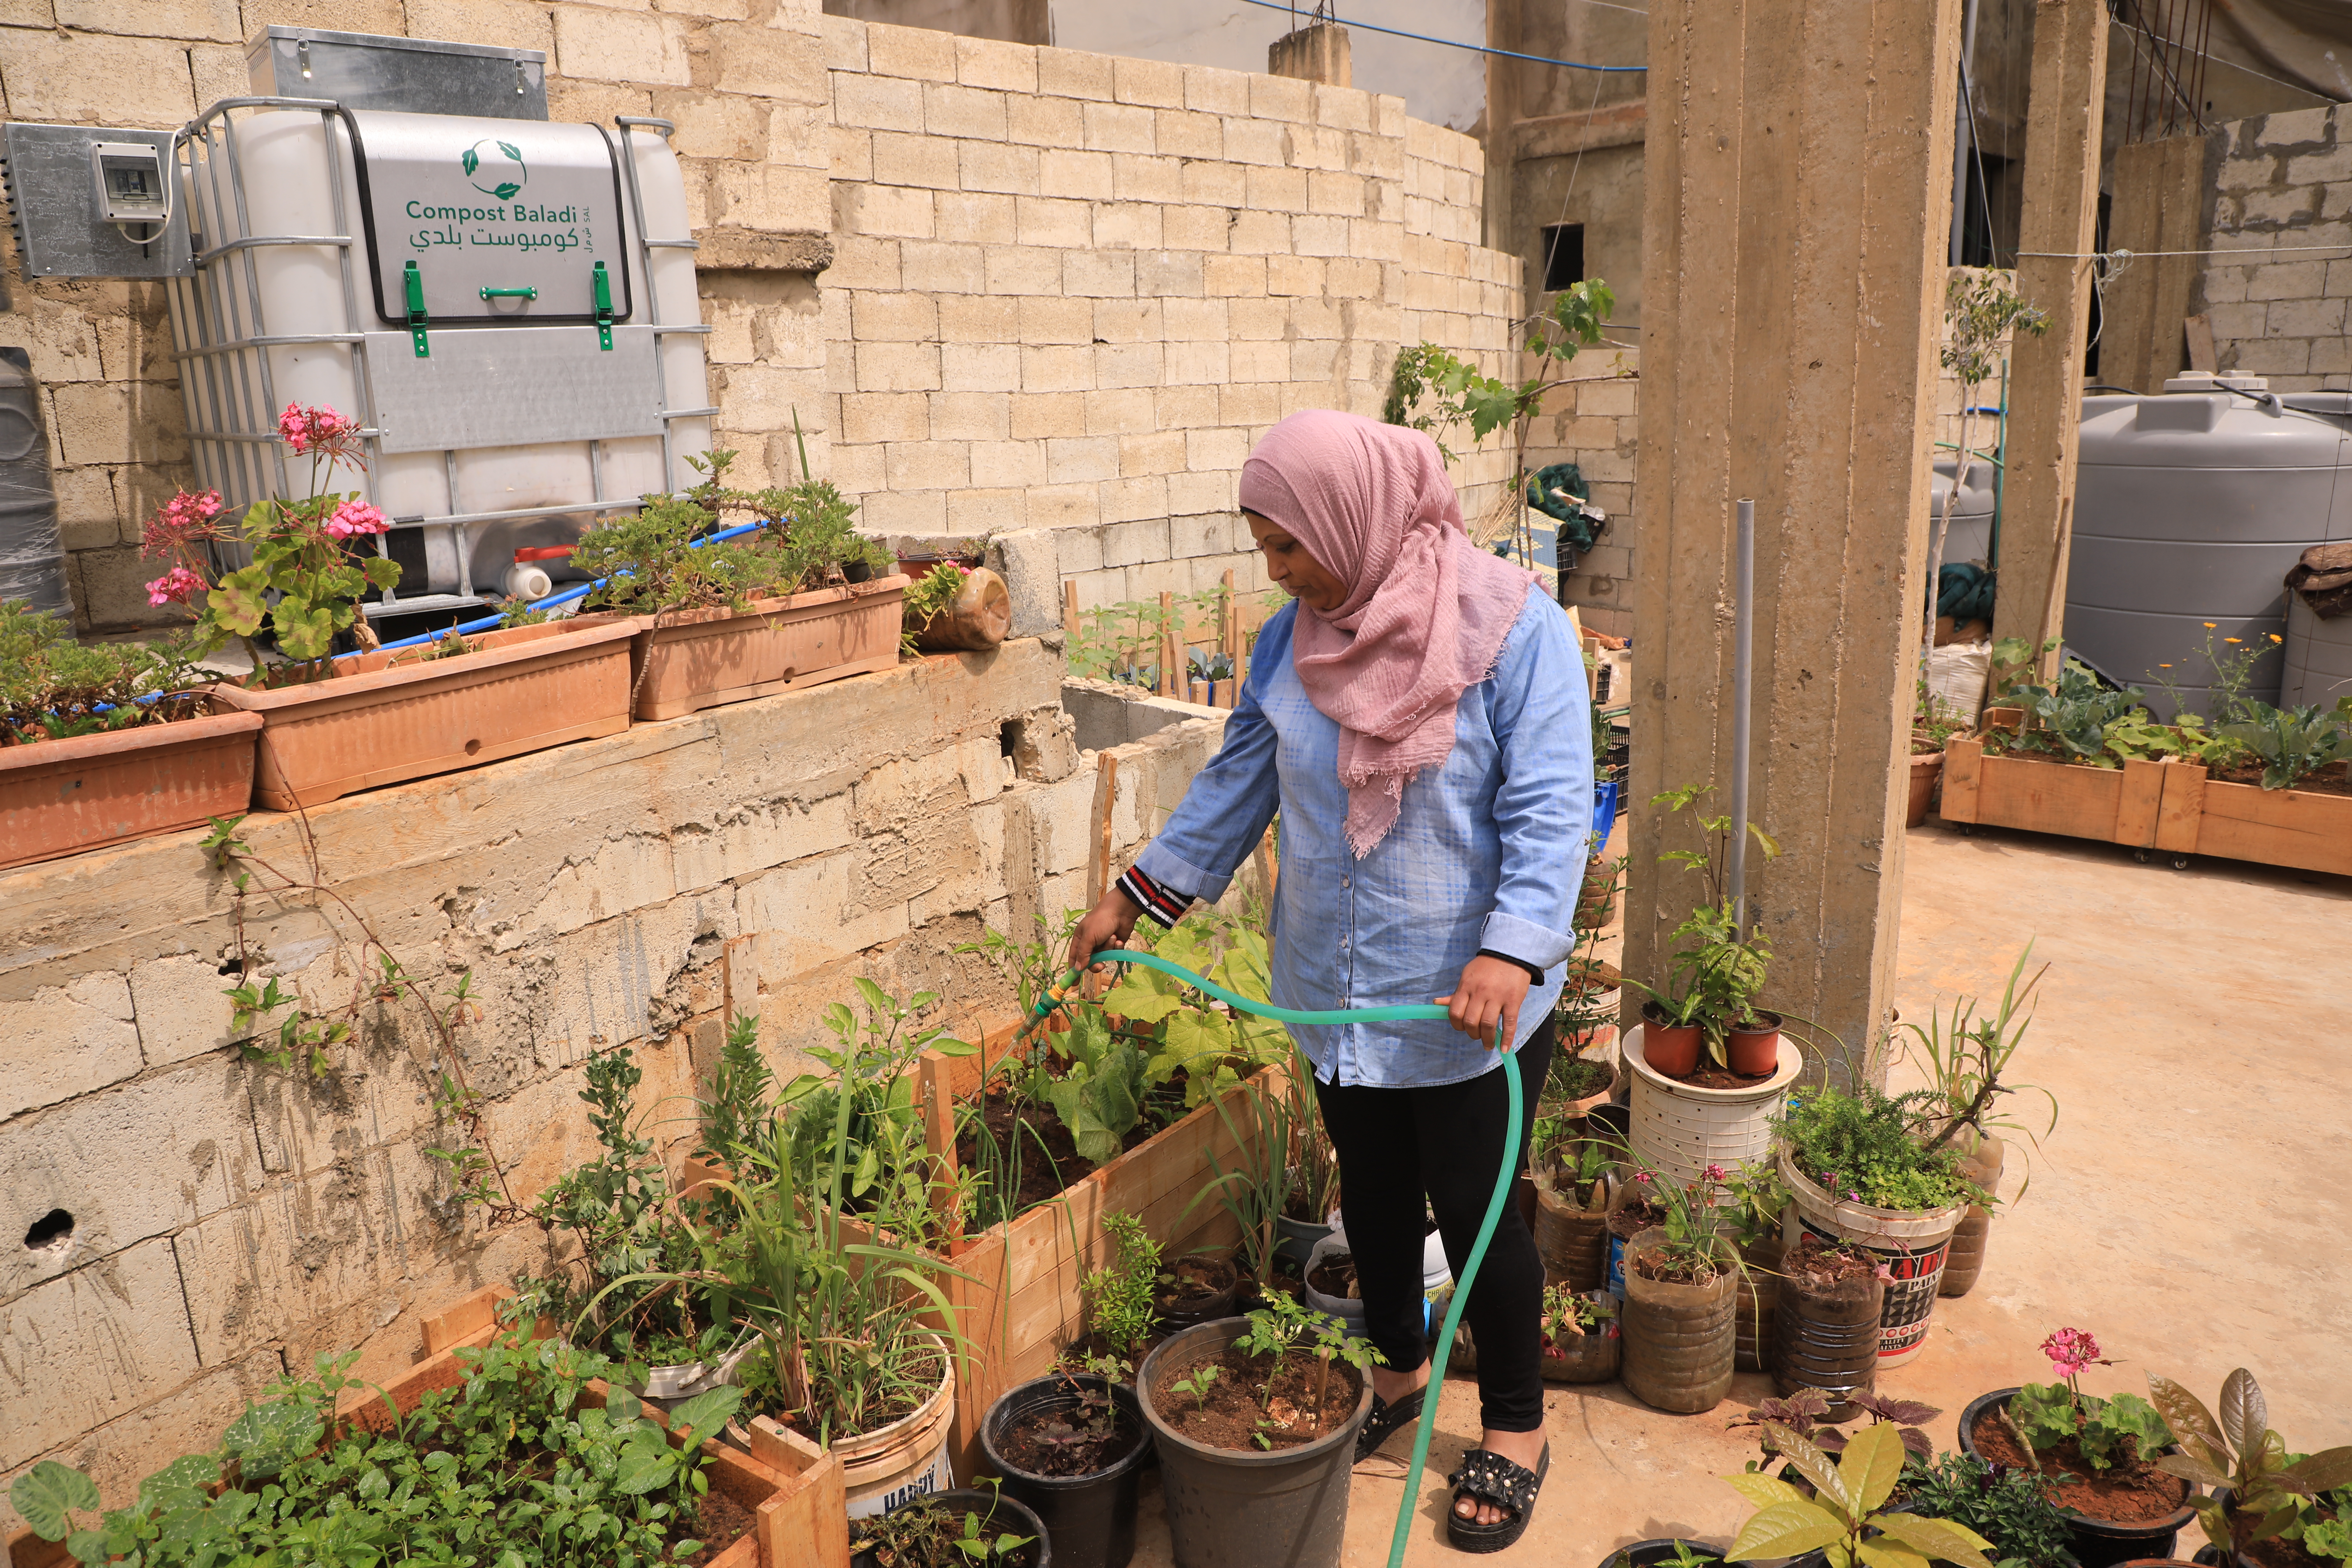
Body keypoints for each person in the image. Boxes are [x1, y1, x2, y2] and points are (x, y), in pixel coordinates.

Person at [1066, 408, 1592, 1552]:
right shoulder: (1290, 643)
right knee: (1372, 1200)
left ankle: (1513, 1428)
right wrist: (1137, 895)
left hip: (1469, 1005)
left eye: (1289, 545)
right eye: (1266, 549)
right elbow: (1237, 786)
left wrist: (1512, 947)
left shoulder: (1513, 631)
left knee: (1482, 1218)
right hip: (1339, 994)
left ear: (1353, 515)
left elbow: (1552, 811)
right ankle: (1402, 1371)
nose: (1278, 570)